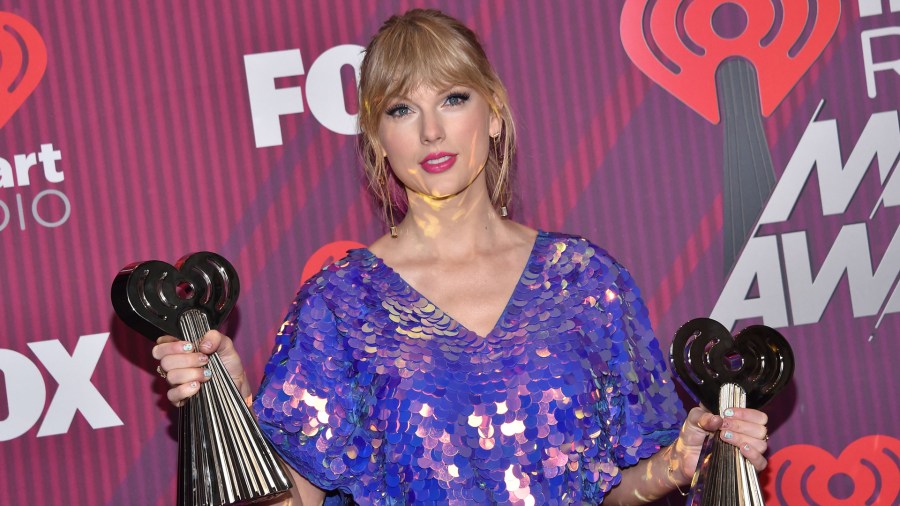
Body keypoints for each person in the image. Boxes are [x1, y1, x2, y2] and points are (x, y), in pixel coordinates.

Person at [153, 9, 770, 506]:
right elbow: (294, 500)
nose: (430, 132)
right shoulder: (339, 304)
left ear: (494, 113)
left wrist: (680, 463)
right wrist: (226, 401)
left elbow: (615, 489)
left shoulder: (586, 280)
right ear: (377, 142)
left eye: (451, 99)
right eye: (401, 110)